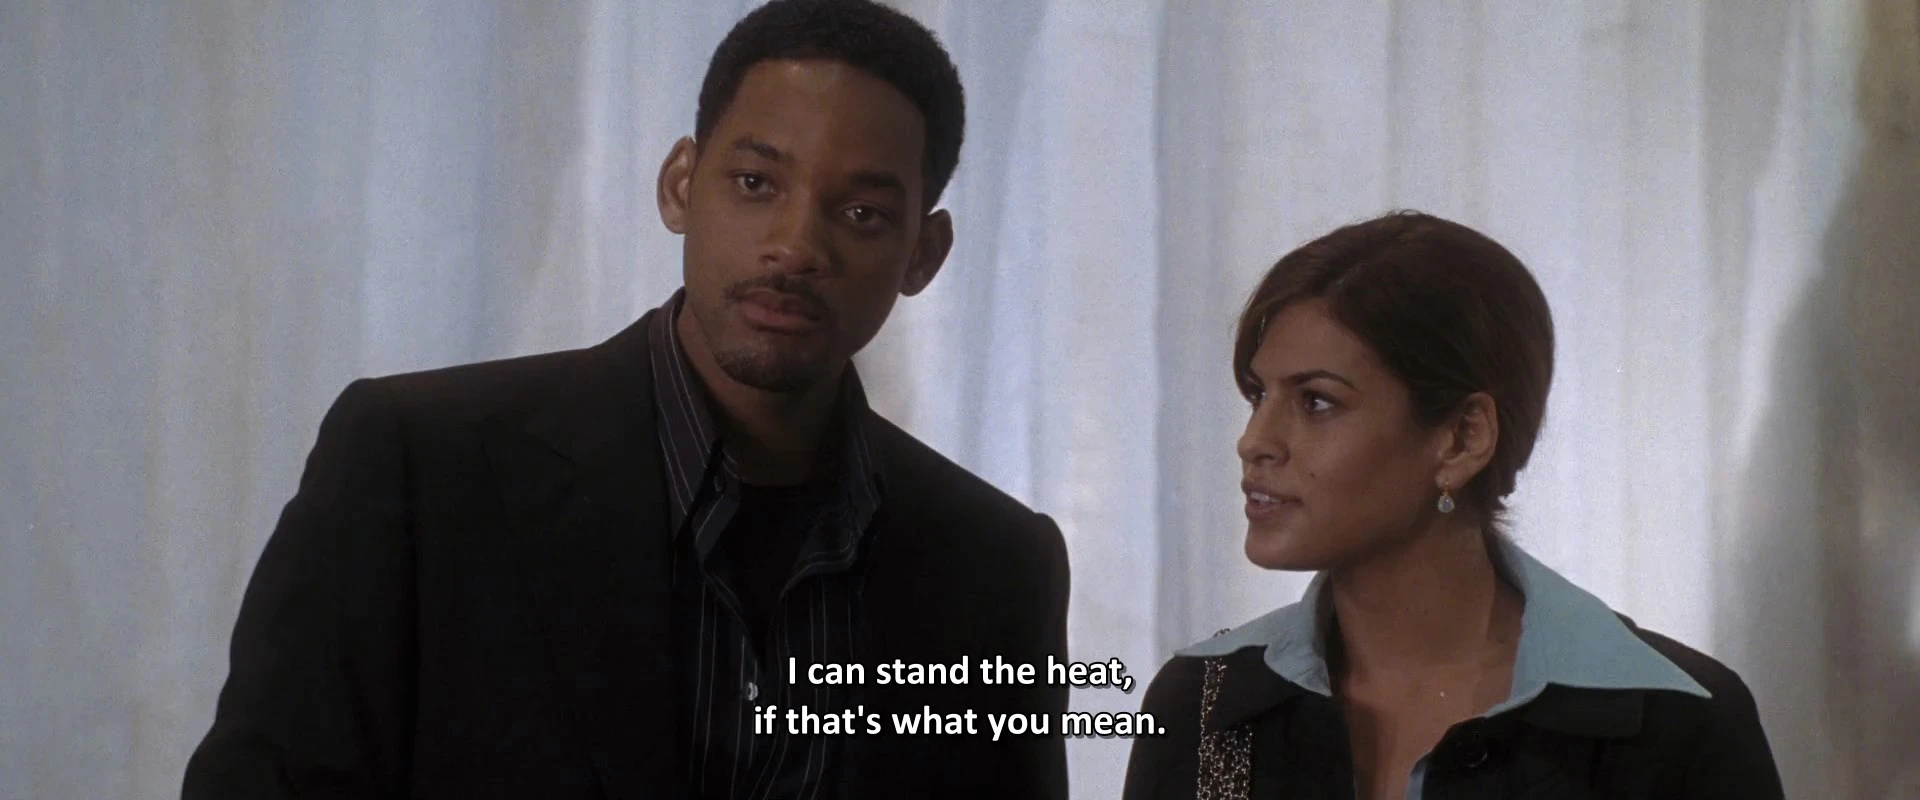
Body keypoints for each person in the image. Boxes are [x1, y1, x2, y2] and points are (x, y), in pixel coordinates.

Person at [181, 1, 1070, 798]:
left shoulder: (995, 567)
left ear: (924, 254)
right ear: (680, 184)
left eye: (863, 214)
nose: (795, 246)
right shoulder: (419, 466)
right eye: (755, 183)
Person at [1121, 211, 1782, 799]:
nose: (1254, 441)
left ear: (1463, 439)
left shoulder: (1673, 724)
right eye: (1257, 396)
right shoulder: (1204, 703)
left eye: (1316, 401)